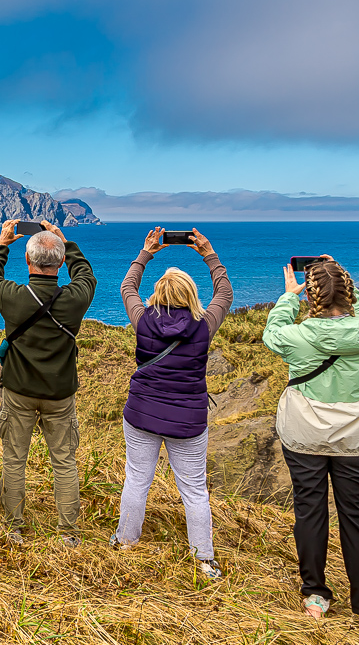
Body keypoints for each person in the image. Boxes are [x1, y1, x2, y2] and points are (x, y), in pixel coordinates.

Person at [263, 257, 359, 640]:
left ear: (312, 299)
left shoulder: (298, 337)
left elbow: (273, 331)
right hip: (358, 438)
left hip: (305, 435)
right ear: (350, 293)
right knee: (358, 520)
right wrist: (347, 285)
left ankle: (315, 595)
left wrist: (288, 297)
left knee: (310, 511)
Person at [113, 227, 232, 579]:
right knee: (194, 489)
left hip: (142, 414)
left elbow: (127, 288)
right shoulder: (204, 325)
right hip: (187, 421)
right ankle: (204, 559)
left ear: (158, 293)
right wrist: (208, 253)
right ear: (191, 295)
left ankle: (125, 541)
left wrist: (146, 253)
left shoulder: (143, 320)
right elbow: (224, 293)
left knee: (137, 480)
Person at [0, 218, 96, 546]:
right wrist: (65, 242)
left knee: (14, 458)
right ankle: (68, 534)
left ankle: (13, 527)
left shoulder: (14, 297)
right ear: (61, 262)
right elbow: (86, 275)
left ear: (28, 261)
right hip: (60, 393)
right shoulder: (75, 299)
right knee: (64, 460)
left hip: (18, 390)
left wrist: (3, 243)